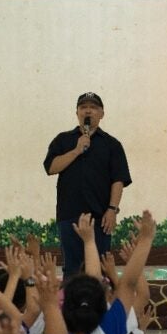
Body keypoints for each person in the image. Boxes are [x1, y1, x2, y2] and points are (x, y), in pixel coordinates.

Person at [44, 92, 131, 277]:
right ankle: (70, 305)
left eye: (93, 107)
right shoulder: (63, 140)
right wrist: (76, 150)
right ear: (77, 113)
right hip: (69, 216)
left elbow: (119, 180)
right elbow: (51, 167)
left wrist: (112, 209)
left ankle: (100, 305)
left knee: (100, 268)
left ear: (101, 113)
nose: (88, 111)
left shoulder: (112, 144)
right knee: (72, 270)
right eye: (83, 107)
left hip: (100, 218)